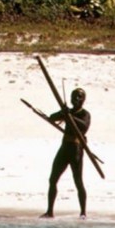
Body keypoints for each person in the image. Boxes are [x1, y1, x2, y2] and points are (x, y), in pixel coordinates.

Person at [41, 87, 91, 219]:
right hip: (64, 148)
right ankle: (49, 212)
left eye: (79, 97)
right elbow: (52, 118)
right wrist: (63, 112)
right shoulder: (68, 112)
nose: (76, 99)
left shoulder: (85, 114)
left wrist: (70, 116)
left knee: (78, 181)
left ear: (83, 100)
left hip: (76, 150)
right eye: (74, 96)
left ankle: (83, 213)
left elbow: (84, 126)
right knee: (53, 179)